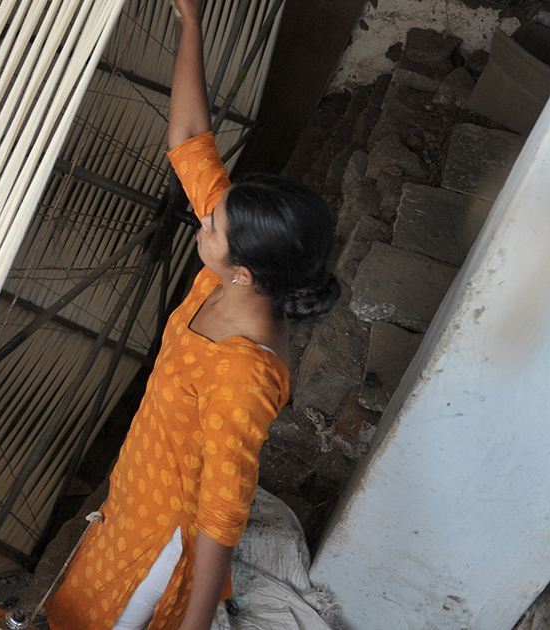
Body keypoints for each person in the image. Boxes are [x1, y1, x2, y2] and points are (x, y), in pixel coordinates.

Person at [42, 0, 339, 627]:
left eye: (212, 222)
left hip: (160, 540)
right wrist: (192, 24)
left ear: (246, 270)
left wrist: (195, 621)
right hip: (133, 496)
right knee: (71, 608)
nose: (202, 216)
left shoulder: (243, 375)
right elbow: (188, 143)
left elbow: (221, 513)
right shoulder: (229, 272)